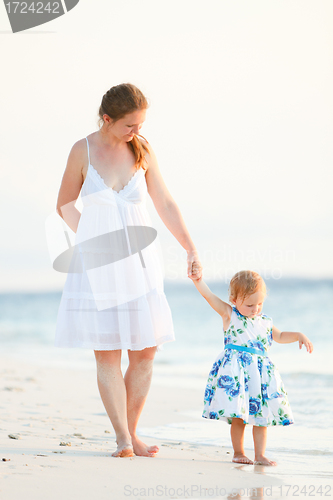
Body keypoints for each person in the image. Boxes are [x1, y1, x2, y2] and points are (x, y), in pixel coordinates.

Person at [55, 83, 202, 457]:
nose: (137, 131)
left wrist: (190, 248)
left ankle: (133, 432)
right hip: (100, 268)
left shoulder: (143, 149)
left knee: (146, 352)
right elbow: (65, 204)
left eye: (141, 124)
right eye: (129, 125)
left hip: (142, 266)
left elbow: (165, 202)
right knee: (108, 353)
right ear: (107, 119)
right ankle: (122, 437)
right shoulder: (82, 150)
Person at [191, 270, 313, 466]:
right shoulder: (229, 314)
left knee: (261, 416)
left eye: (260, 303)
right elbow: (209, 296)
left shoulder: (264, 321)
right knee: (240, 417)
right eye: (249, 305)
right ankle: (238, 452)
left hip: (260, 375)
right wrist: (198, 281)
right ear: (234, 299)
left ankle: (260, 455)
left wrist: (298, 335)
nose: (255, 308)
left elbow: (280, 336)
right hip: (238, 373)